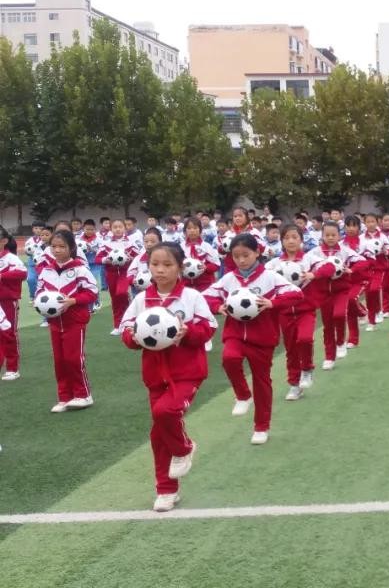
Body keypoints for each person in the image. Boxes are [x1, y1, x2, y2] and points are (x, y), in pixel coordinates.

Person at [120, 242, 218, 512]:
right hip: (154, 375)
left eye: (167, 265)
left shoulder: (191, 297)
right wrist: (135, 337)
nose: (160, 270)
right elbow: (126, 328)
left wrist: (189, 333)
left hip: (187, 372)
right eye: (155, 264)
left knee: (166, 413)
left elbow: (209, 327)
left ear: (180, 267)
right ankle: (166, 490)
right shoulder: (142, 299)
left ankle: (184, 447)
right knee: (157, 432)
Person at [204, 234, 302, 445]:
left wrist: (272, 302)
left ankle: (261, 426)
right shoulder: (229, 278)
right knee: (229, 358)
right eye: (236, 256)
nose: (241, 260)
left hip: (263, 338)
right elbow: (207, 296)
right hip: (235, 333)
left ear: (257, 253)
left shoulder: (270, 277)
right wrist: (217, 307)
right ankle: (242, 394)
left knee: (262, 380)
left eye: (245, 255)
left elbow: (296, 294)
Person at [37, 229, 99, 412]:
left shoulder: (80, 269)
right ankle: (64, 397)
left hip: (75, 321)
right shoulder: (46, 271)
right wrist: (41, 302)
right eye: (54, 246)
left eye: (61, 246)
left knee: (73, 358)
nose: (57, 250)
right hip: (55, 322)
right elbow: (40, 291)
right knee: (59, 360)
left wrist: (73, 301)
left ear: (71, 248)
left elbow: (92, 292)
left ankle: (83, 395)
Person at [268, 225, 326, 400]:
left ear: (301, 240)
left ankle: (307, 368)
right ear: (282, 241)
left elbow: (329, 267)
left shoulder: (309, 259)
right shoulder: (275, 264)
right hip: (284, 313)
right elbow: (262, 276)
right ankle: (294, 385)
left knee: (305, 339)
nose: (291, 241)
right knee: (291, 350)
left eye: (294, 237)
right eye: (286, 238)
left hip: (305, 310)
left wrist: (313, 275)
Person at [309, 222, 364, 369]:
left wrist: (351, 269)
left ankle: (341, 342)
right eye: (327, 235)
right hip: (323, 294)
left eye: (334, 235)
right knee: (328, 325)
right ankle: (329, 357)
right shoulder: (315, 252)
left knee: (339, 315)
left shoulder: (345, 251)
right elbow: (305, 264)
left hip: (341, 291)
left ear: (339, 235)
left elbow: (362, 261)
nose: (331, 238)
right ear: (322, 236)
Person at [97, 219, 140, 336]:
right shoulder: (106, 243)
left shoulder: (130, 243)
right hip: (111, 274)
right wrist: (106, 260)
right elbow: (97, 259)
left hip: (125, 273)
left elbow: (139, 257)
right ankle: (117, 325)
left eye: (120, 226)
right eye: (115, 227)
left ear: (124, 228)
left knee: (121, 294)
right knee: (115, 299)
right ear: (111, 229)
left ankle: (129, 316)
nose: (117, 229)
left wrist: (130, 259)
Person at [0, 227, 27, 381]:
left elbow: (22, 273)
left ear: (4, 241)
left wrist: (2, 276)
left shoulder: (11, 258)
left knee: (8, 332)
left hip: (7, 301)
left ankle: (12, 368)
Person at [181, 218, 220, 292]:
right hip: (186, 284)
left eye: (195, 228)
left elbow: (216, 265)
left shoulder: (206, 246)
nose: (192, 230)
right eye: (189, 228)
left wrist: (206, 267)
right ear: (185, 231)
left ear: (200, 230)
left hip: (205, 284)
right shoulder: (181, 247)